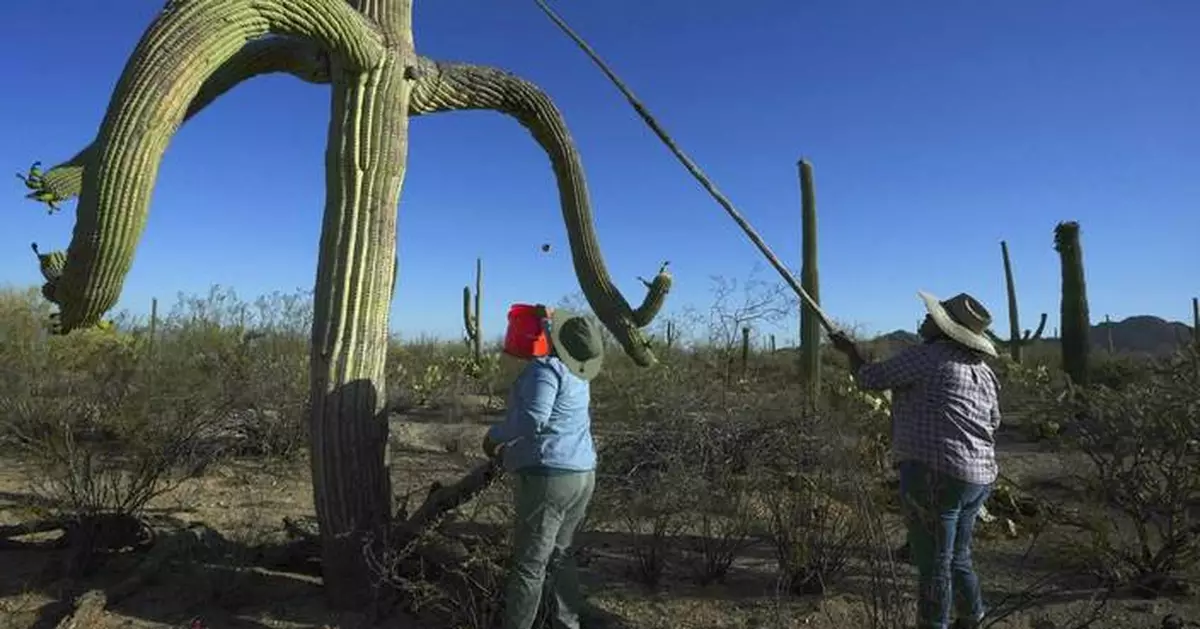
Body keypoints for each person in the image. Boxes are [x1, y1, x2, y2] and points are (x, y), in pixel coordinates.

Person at [829, 291, 1002, 629]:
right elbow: (994, 421)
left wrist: (850, 351)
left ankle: (933, 624)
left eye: (932, 317)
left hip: (934, 473)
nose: (924, 318)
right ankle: (971, 617)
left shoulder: (929, 356)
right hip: (978, 478)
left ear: (945, 328)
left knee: (933, 560)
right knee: (958, 557)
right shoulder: (983, 371)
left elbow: (870, 379)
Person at [482, 307, 603, 629]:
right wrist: (547, 319)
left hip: (550, 476)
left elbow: (534, 418)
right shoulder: (578, 373)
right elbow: (559, 340)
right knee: (560, 556)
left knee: (530, 564)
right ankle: (567, 623)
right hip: (582, 474)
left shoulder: (545, 370)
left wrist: (493, 437)